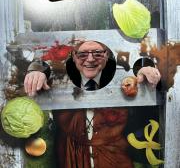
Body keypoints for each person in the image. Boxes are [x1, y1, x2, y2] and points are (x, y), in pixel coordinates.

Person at [24, 40, 161, 168]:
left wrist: (142, 69)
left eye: (97, 53)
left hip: (113, 155)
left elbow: (141, 66)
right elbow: (41, 64)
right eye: (82, 54)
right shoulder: (62, 77)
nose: (90, 59)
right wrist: (37, 71)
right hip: (70, 153)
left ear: (107, 55)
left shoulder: (122, 78)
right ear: (73, 57)